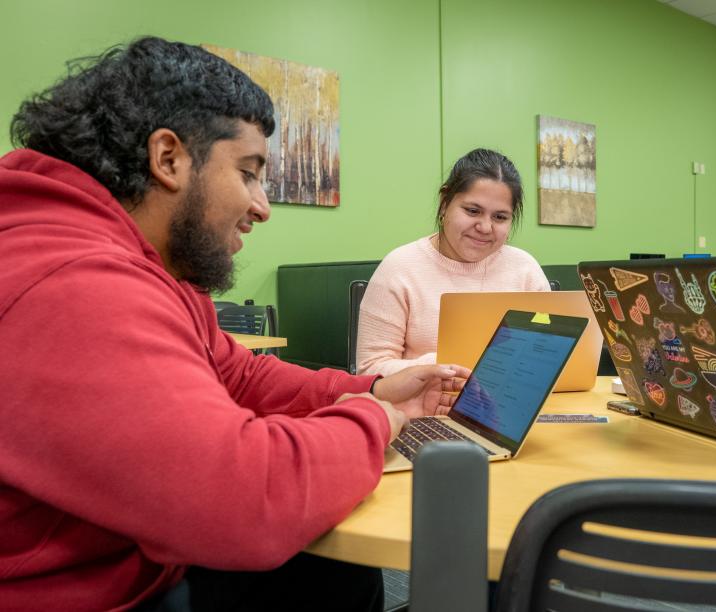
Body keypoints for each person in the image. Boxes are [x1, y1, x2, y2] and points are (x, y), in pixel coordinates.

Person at [0, 37, 470, 611]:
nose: (262, 205)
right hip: (92, 595)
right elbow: (248, 500)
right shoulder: (71, 280)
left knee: (337, 573)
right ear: (167, 158)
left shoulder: (144, 264)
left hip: (134, 557)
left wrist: (369, 387)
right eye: (248, 173)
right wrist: (375, 418)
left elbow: (238, 376)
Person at [355, 148, 551, 377]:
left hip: (511, 403)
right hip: (422, 407)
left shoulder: (525, 269)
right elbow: (370, 371)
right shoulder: (399, 267)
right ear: (445, 202)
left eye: (500, 217)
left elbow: (548, 357)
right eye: (472, 211)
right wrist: (441, 364)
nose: (485, 227)